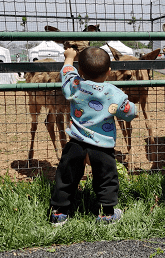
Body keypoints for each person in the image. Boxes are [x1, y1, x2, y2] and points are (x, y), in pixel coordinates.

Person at [50, 47, 138, 226]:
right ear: (109, 72)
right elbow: (128, 112)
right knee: (107, 179)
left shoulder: (76, 86)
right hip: (102, 146)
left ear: (80, 71)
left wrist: (69, 57)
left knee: (66, 177)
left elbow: (67, 74)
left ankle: (59, 213)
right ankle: (106, 214)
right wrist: (132, 109)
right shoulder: (114, 93)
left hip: (76, 142)